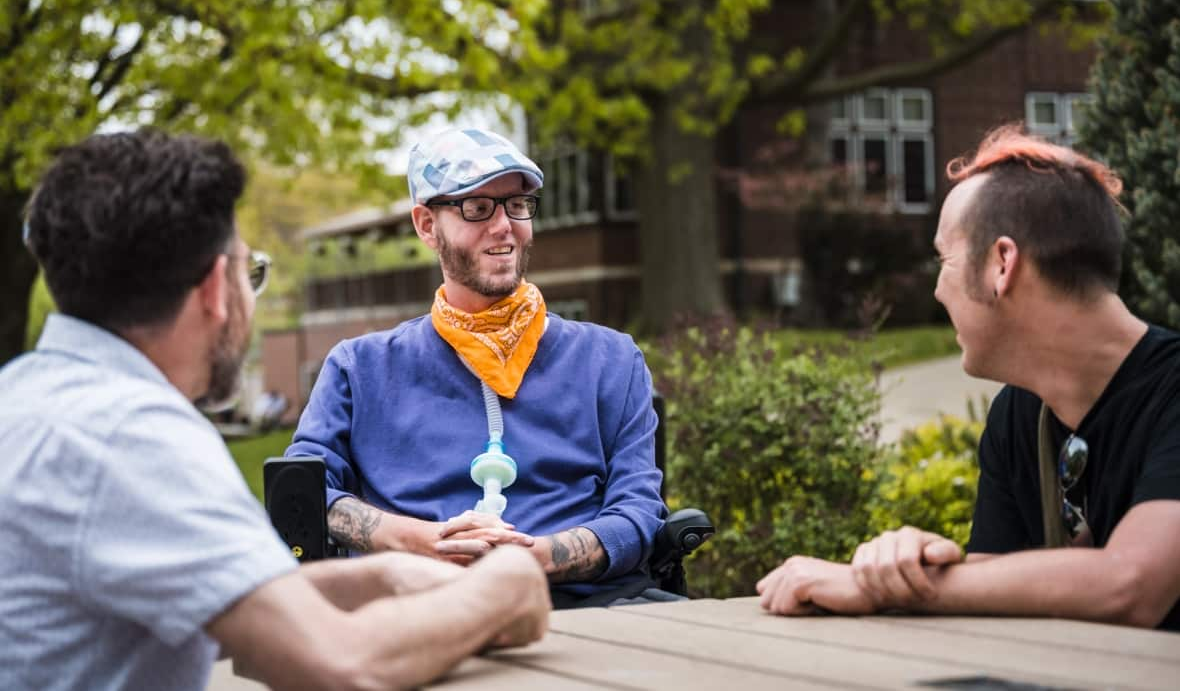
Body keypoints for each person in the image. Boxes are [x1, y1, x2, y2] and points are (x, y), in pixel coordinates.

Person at [0, 130, 549, 691]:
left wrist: (384, 574)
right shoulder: (131, 437)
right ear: (217, 287)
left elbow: (236, 592)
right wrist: (504, 585)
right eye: (251, 271)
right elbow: (341, 663)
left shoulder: (23, 398)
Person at [758, 125, 1180, 630]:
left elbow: (1133, 583)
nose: (938, 290)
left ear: (1003, 263)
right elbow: (994, 580)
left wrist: (871, 587)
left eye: (945, 259)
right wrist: (909, 567)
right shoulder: (1019, 413)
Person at [286, 127, 668, 608]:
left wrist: (535, 558)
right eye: (477, 207)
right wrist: (422, 542)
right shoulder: (359, 368)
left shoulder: (611, 360)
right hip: (417, 612)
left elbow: (639, 512)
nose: (504, 224)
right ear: (427, 225)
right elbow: (300, 492)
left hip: (591, 611)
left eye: (517, 203)